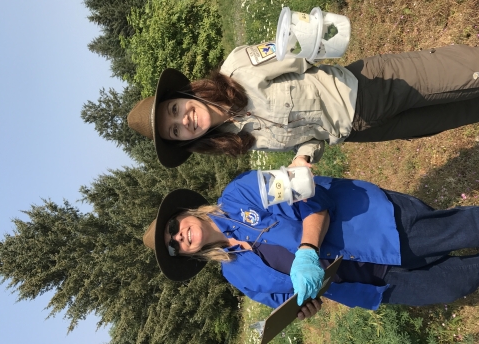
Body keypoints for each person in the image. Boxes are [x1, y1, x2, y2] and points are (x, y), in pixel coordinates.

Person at [143, 170, 479, 319]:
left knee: (464, 230)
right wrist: (303, 307)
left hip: (372, 230)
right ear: (185, 254)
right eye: (173, 245)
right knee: (454, 284)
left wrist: (307, 249)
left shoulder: (241, 191)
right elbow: (285, 300)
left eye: (173, 227)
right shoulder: (235, 275)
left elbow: (308, 193)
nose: (178, 236)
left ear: (185, 212)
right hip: (368, 284)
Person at [127, 42, 479, 168]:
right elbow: (313, 135)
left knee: (468, 72)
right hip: (361, 130)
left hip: (368, 87)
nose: (184, 121)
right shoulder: (239, 138)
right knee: (460, 113)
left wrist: (305, 36)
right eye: (175, 131)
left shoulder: (238, 67)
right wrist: (303, 158)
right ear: (184, 141)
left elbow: (299, 51)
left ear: (183, 95)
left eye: (174, 110)